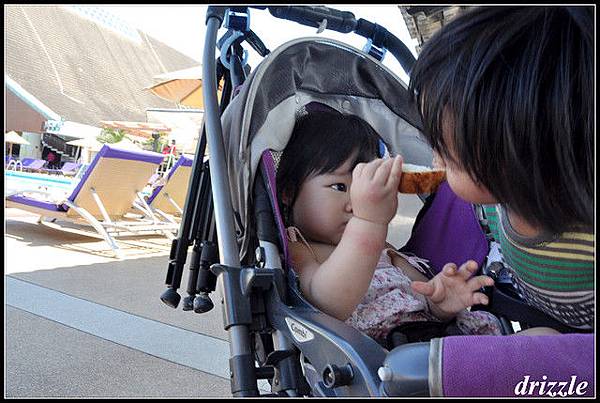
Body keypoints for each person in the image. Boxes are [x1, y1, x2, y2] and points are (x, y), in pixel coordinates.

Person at [407, 6, 594, 334]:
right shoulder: (496, 200)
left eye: (448, 156)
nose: (435, 162)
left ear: (517, 164)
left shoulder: (586, 248)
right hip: (530, 301)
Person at [276, 105, 502, 345]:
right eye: (340, 187)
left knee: (544, 338)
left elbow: (422, 295)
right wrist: (368, 222)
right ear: (289, 192)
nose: (356, 202)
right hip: (385, 358)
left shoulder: (383, 248)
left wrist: (441, 302)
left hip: (438, 340)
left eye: (362, 188)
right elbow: (327, 304)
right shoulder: (301, 247)